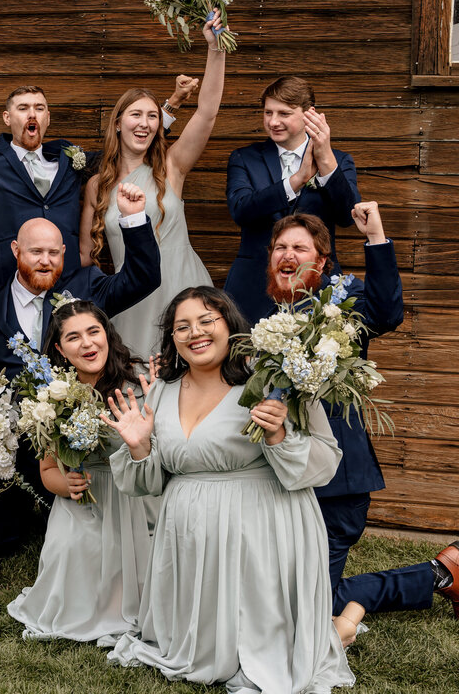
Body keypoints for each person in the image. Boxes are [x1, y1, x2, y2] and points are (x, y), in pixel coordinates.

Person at [104, 286, 353, 692]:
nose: (195, 333)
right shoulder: (162, 391)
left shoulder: (275, 379)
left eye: (207, 321)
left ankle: (319, 632)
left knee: (262, 644)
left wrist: (277, 437)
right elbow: (147, 484)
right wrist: (140, 447)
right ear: (172, 339)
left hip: (261, 529)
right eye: (182, 327)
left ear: (230, 325)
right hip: (187, 537)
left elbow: (325, 459)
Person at [263, 207, 459, 637]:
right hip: (272, 473)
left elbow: (388, 313)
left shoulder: (341, 300)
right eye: (280, 247)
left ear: (323, 261)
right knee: (275, 596)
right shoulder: (260, 307)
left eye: (299, 247)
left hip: (338, 478)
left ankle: (437, 576)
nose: (287, 254)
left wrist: (376, 238)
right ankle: (440, 574)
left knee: (312, 604)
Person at [0, 190, 159, 557]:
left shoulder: (84, 286)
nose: (46, 261)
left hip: (72, 442)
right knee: (4, 543)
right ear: (16, 250)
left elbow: (144, 277)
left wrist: (132, 219)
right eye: (36, 252)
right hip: (7, 441)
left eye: (54, 253)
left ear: (64, 254)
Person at [0, 54, 187, 292]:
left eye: (39, 108)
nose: (31, 114)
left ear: (47, 118)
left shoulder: (69, 158)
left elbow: (125, 146)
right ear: (7, 117)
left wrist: (170, 107)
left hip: (68, 280)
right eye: (23, 108)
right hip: (9, 280)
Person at [79, 12, 227, 358]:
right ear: (118, 123)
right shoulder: (97, 186)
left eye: (152, 116)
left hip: (185, 286)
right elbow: (85, 257)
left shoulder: (172, 166)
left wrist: (216, 49)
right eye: (136, 115)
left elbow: (207, 113)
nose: (144, 124)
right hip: (133, 299)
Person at [7, 300, 155, 644]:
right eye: (74, 337)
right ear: (59, 349)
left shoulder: (140, 384)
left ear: (107, 333)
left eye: (93, 331)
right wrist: (67, 484)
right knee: (73, 551)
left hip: (135, 497)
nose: (87, 343)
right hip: (82, 501)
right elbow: (47, 470)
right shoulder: (49, 398)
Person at [224, 76, 361, 324]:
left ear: (309, 114)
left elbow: (346, 216)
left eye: (284, 114)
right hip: (253, 285)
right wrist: (296, 180)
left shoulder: (339, 161)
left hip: (317, 285)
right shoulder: (245, 158)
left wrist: (327, 160)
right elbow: (241, 210)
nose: (273, 122)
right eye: (268, 112)